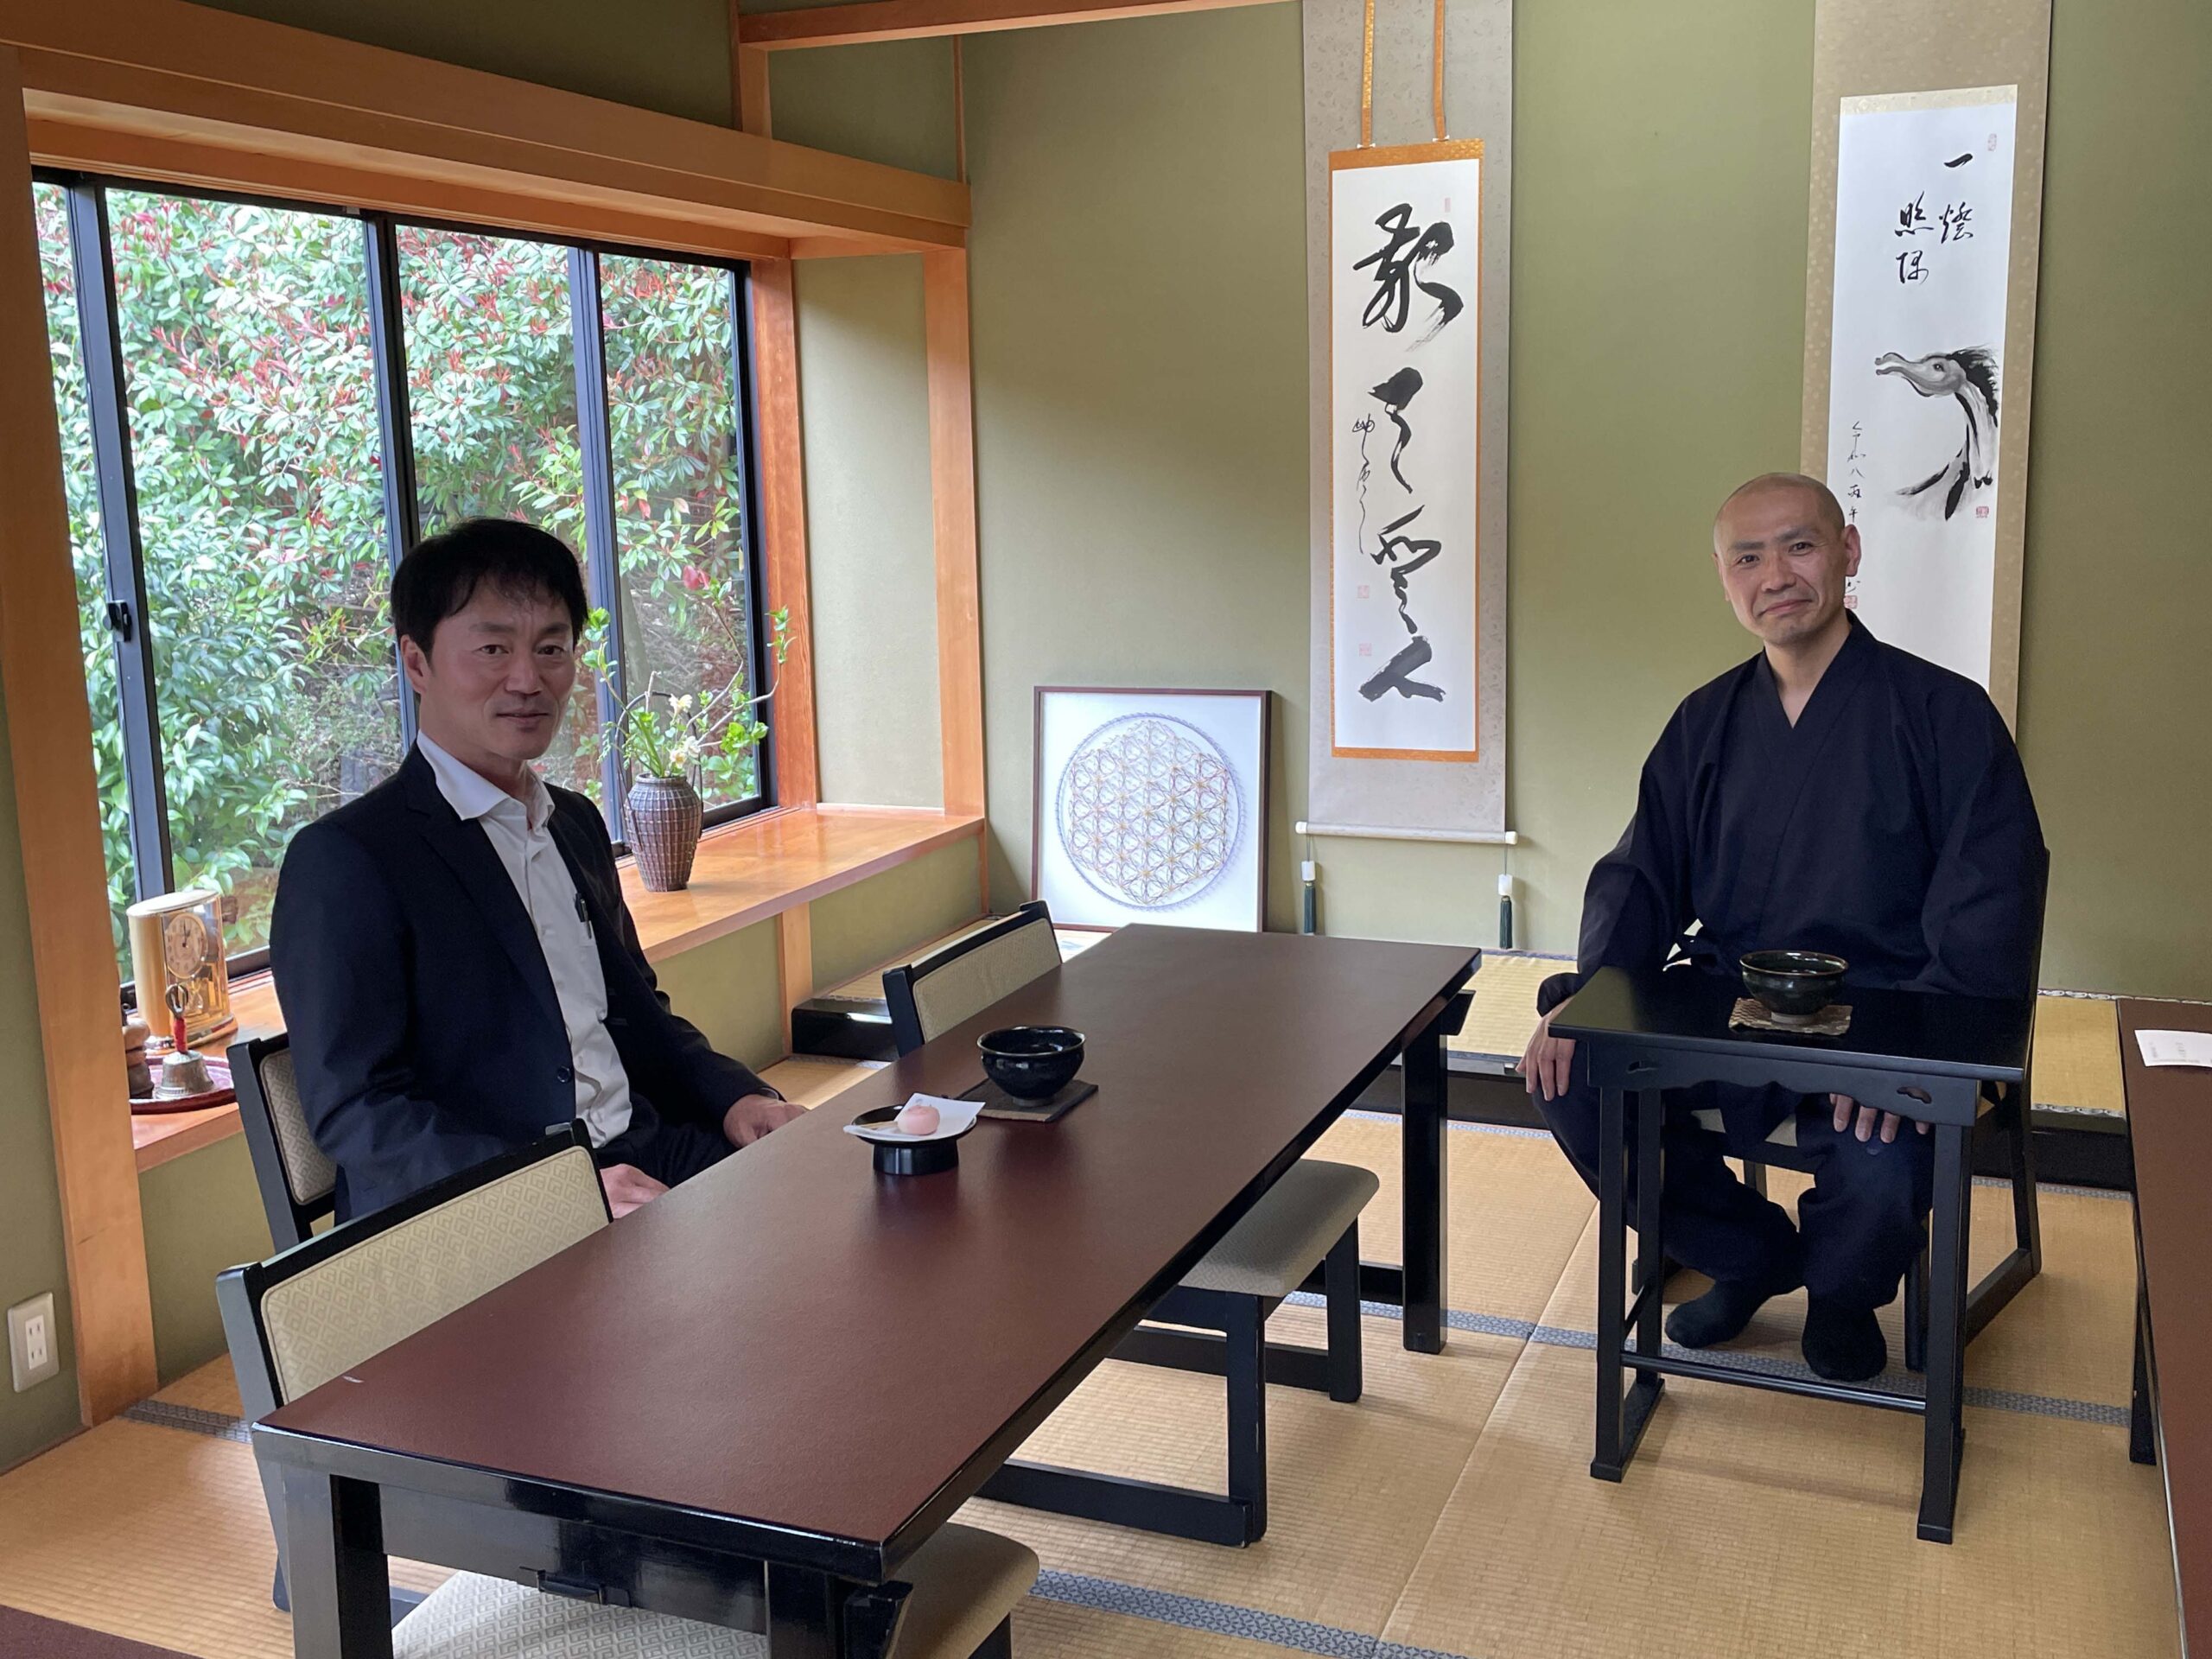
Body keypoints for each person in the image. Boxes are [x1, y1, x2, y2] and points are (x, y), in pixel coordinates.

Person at [1519, 474, 2046, 1382]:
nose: (1776, 576)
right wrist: (1590, 999)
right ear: (1724, 578)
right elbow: (1639, 874)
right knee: (1571, 1079)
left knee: (1883, 1158)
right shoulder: (1706, 720)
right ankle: (1750, 1255)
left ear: (1846, 551)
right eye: (1748, 557)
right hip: (1727, 1001)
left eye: (1799, 546)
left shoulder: (1943, 713)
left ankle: (1842, 1295)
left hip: (1889, 1008)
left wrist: (1913, 1051)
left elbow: (1990, 890)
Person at [271, 518, 803, 1223]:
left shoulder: (573, 822)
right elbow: (358, 1112)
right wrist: (560, 1190)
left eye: (551, 648)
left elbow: (640, 1015)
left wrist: (735, 1096)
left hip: (641, 1152)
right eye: (493, 648)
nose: (528, 680)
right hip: (490, 1210)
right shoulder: (347, 858)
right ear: (416, 663)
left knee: (843, 1199)